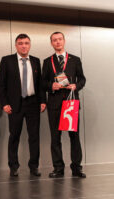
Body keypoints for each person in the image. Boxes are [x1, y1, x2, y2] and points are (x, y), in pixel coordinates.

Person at [0, 33, 46, 177]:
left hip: (33, 103)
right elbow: (1, 85)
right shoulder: (7, 61)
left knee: (34, 136)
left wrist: (43, 101)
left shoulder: (36, 61)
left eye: (26, 43)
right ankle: (13, 166)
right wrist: (4, 103)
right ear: (16, 45)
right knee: (14, 136)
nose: (23, 46)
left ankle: (34, 167)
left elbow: (40, 84)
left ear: (29, 45)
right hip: (15, 104)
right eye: (20, 43)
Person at [42, 32, 86, 178]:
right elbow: (42, 82)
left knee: (74, 136)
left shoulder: (75, 60)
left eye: (60, 39)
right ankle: (58, 168)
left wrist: (76, 86)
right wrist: (51, 86)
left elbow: (82, 79)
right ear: (51, 43)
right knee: (55, 137)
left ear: (64, 41)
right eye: (54, 40)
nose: (58, 42)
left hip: (70, 102)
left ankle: (76, 168)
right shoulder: (48, 61)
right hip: (54, 103)